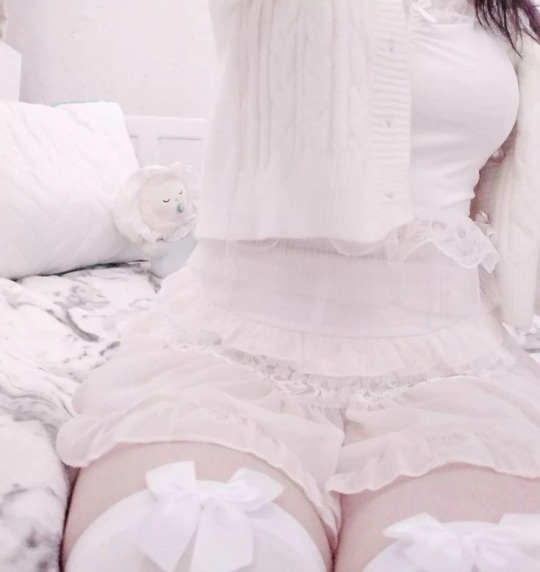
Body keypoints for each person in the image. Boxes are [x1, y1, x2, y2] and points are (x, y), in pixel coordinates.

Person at [57, 1, 540, 570]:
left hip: (450, 370)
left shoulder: (502, 19)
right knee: (188, 538)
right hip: (235, 359)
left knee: (467, 555)